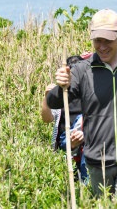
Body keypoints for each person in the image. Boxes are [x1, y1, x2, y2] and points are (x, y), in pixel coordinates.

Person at [46, 9, 117, 197]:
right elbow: (54, 101)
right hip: (96, 164)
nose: (102, 47)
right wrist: (61, 86)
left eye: (107, 40)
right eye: (97, 40)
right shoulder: (82, 70)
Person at [41, 55, 91, 183]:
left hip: (87, 142)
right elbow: (47, 119)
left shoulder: (90, 92)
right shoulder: (60, 94)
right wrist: (47, 98)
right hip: (65, 145)